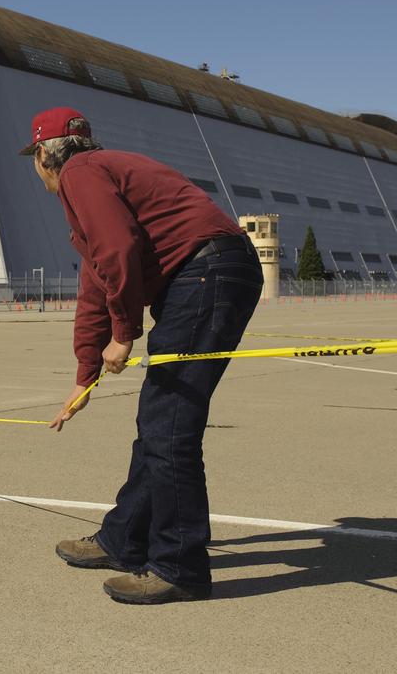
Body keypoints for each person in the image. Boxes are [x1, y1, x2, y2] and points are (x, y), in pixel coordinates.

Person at [24, 108, 262, 605]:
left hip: (204, 274)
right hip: (211, 272)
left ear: (44, 155)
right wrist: (84, 377)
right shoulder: (103, 174)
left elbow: (118, 249)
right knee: (160, 421)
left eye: (35, 158)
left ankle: (179, 567)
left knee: (169, 426)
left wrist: (125, 332)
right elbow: (97, 284)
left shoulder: (80, 174)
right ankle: (125, 539)